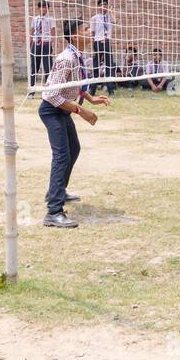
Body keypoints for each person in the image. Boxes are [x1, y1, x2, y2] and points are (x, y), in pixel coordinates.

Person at [39, 19, 109, 228]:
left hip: (63, 110)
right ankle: (53, 211)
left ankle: (56, 191)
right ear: (74, 35)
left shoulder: (78, 56)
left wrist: (90, 98)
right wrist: (81, 111)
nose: (90, 32)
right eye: (86, 29)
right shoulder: (66, 58)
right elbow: (52, 95)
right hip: (52, 111)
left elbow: (73, 83)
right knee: (62, 156)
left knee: (74, 149)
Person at [88, 0, 117, 96]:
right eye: (101, 5)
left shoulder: (109, 17)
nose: (103, 7)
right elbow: (92, 33)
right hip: (98, 42)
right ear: (98, 6)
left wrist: (111, 11)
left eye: (105, 4)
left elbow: (115, 21)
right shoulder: (94, 18)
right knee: (96, 66)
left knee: (109, 65)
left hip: (107, 42)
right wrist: (93, 47)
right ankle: (92, 90)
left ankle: (111, 90)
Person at [30, 0, 55, 85]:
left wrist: (52, 45)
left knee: (47, 67)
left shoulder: (50, 19)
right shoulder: (35, 19)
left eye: (46, 7)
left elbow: (53, 32)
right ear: (38, 8)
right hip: (36, 43)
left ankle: (48, 87)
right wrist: (31, 44)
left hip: (46, 44)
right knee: (34, 67)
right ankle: (32, 89)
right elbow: (32, 31)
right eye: (42, 7)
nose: (44, 9)